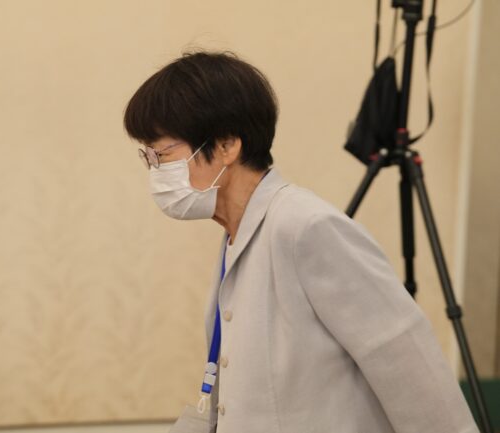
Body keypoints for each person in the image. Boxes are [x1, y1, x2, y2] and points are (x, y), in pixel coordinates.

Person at [123, 50, 479, 433]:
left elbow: (405, 361)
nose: (156, 170)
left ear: (227, 145)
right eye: (149, 157)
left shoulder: (306, 226)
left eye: (162, 154)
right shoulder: (239, 235)